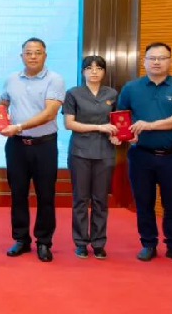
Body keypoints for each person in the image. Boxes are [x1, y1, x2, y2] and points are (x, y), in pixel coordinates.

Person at [117, 42, 172, 266]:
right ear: (144, 61)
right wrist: (125, 135)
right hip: (140, 156)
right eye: (152, 58)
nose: (157, 62)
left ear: (170, 61)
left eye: (162, 58)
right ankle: (148, 244)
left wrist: (150, 125)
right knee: (144, 202)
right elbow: (121, 117)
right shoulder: (131, 87)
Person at [0, 38, 65, 262]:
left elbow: (49, 113)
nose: (33, 56)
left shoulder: (55, 79)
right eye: (28, 52)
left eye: (38, 52)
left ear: (45, 55)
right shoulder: (11, 79)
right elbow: (2, 103)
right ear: (22, 56)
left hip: (44, 145)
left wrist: (18, 126)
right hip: (16, 146)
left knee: (45, 195)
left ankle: (44, 242)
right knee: (18, 194)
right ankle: (21, 239)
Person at [63, 55, 119, 260]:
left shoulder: (112, 94)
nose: (94, 72)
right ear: (83, 71)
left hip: (105, 153)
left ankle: (98, 243)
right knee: (80, 199)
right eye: (89, 68)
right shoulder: (73, 93)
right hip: (80, 152)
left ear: (104, 72)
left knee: (100, 200)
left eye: (99, 68)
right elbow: (69, 124)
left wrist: (117, 135)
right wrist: (99, 127)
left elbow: (118, 122)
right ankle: (80, 242)